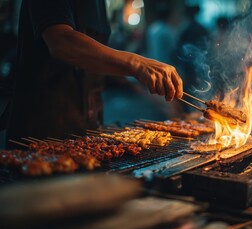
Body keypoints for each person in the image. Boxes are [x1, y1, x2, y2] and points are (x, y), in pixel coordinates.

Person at [5, 0, 183, 145]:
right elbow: (61, 41)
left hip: (88, 126)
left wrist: (138, 88)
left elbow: (95, 59)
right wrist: (135, 62)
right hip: (43, 128)